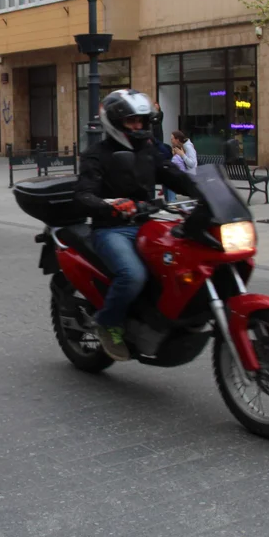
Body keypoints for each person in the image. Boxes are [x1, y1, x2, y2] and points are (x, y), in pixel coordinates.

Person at [73, 90, 194, 361]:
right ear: (114, 122)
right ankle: (108, 323)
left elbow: (171, 174)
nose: (139, 126)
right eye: (132, 121)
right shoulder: (96, 155)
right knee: (133, 275)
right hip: (111, 229)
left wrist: (207, 190)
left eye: (142, 121)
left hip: (149, 223)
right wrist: (111, 205)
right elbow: (83, 194)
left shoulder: (148, 149)